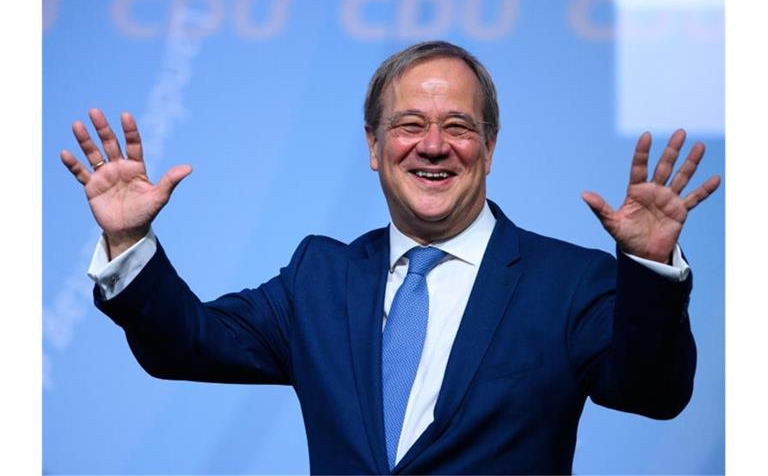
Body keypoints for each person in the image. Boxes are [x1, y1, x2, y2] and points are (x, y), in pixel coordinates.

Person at [61, 41, 720, 474]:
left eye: (458, 127)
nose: (433, 146)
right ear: (375, 146)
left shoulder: (570, 283)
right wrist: (129, 242)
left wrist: (650, 270)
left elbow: (652, 394)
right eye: (409, 125)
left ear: (489, 148)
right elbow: (187, 343)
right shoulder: (320, 280)